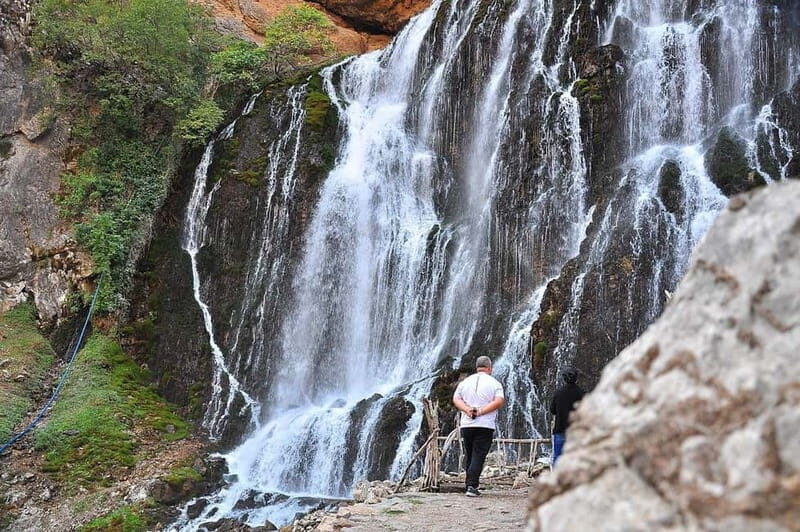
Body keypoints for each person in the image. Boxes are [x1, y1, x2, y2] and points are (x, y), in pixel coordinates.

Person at [452, 355, 505, 497]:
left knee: (470, 454)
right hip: (485, 425)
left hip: (467, 424)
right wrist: (481, 411)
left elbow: (456, 399)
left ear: (477, 367)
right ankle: (471, 486)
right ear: (490, 367)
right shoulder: (495, 383)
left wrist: (467, 410)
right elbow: (499, 401)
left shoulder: (465, 382)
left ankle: (469, 483)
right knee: (478, 455)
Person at [549, 367, 584, 466]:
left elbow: (552, 410)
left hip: (560, 430)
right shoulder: (582, 394)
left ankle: (556, 479)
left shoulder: (558, 393)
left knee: (557, 457)